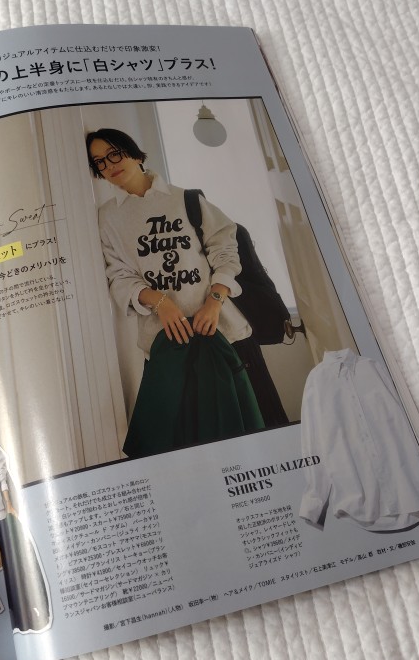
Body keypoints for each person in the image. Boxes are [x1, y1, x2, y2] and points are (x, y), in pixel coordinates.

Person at [86, 129, 287, 455]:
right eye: (99, 162)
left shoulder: (186, 200)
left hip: (227, 336)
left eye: (114, 154)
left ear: (134, 153)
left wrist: (214, 301)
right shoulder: (108, 217)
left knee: (258, 436)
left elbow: (226, 250)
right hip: (169, 346)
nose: (109, 165)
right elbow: (119, 275)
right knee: (189, 449)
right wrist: (160, 303)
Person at [0, 407, 51, 632]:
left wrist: (9, 504)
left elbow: (2, 478)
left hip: (3, 515)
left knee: (22, 559)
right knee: (6, 571)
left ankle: (38, 610)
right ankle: (18, 619)